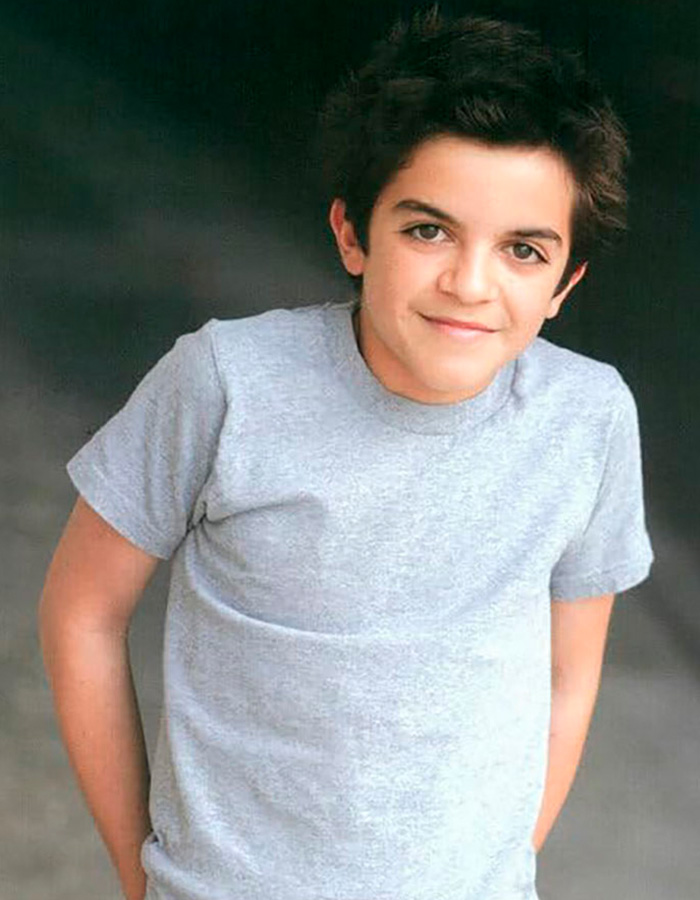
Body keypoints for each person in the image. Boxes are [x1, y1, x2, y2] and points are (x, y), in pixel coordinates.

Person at [39, 8, 654, 900]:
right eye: (428, 230)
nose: (470, 284)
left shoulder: (587, 418)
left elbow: (569, 674)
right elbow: (82, 614)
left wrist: (503, 866)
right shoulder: (227, 382)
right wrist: (143, 873)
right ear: (352, 235)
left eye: (523, 250)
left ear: (564, 285)